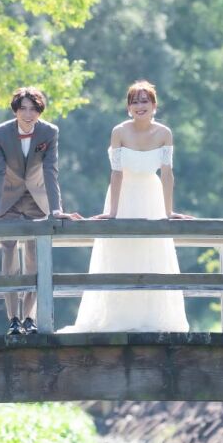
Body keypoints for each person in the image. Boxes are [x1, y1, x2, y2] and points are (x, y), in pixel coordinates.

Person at [60, 80, 190, 333]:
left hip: (151, 195)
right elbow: (116, 174)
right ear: (128, 107)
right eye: (134, 101)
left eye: (145, 101)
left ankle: (152, 318)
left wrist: (168, 211)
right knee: (120, 251)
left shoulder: (164, 133)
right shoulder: (119, 131)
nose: (140, 106)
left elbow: (167, 174)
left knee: (151, 252)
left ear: (154, 105)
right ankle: (117, 318)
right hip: (123, 194)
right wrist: (112, 212)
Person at [0, 87, 80, 336]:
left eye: (33, 109)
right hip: (8, 199)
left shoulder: (49, 132)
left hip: (36, 199)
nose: (28, 114)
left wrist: (56, 209)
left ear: (40, 111)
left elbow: (51, 170)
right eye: (23, 108)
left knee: (33, 258)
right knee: (8, 253)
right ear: (15, 110)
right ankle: (13, 319)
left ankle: (29, 316)